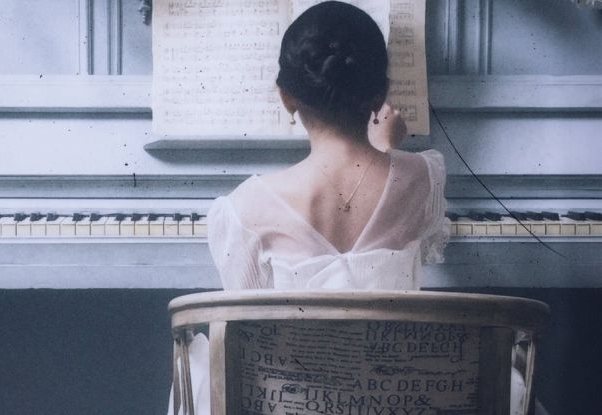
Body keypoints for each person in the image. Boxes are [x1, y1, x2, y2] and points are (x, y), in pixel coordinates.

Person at [169, 2, 449, 414]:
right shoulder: (424, 176)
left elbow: (249, 334)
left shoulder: (245, 207)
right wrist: (386, 150)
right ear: (379, 96)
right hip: (398, 400)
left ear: (286, 98)